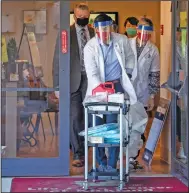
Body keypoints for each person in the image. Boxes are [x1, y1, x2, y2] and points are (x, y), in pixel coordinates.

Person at [83, 13, 137, 172]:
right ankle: (101, 163)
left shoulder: (122, 40)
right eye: (101, 29)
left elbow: (130, 59)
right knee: (98, 127)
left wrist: (126, 75)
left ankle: (112, 165)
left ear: (112, 27)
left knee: (114, 128)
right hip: (97, 90)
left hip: (117, 88)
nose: (104, 32)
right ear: (95, 29)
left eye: (107, 28)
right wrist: (101, 88)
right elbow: (91, 73)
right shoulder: (90, 47)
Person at [53, 3, 95, 167]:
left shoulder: (93, 32)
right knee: (75, 117)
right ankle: (77, 153)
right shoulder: (66, 33)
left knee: (91, 117)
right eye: (80, 17)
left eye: (86, 17)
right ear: (74, 16)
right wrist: (57, 85)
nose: (83, 20)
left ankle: (88, 148)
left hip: (92, 80)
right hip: (73, 81)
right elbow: (57, 61)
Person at [129, 17, 160, 165]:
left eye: (147, 29)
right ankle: (127, 155)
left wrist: (152, 96)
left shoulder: (153, 50)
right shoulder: (127, 44)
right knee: (127, 124)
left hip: (143, 92)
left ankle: (133, 157)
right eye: (140, 27)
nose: (143, 31)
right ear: (137, 28)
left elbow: (155, 74)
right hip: (127, 91)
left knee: (139, 125)